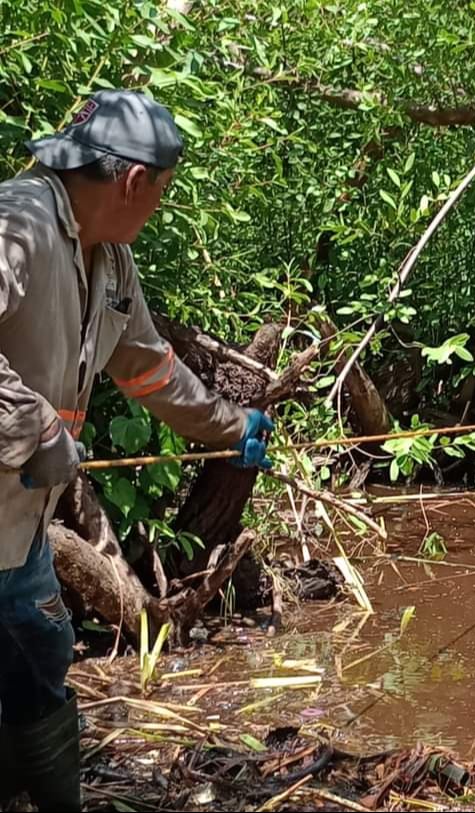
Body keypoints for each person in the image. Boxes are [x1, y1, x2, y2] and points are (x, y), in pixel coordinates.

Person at [0, 89, 274, 810]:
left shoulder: (111, 262)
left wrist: (231, 425)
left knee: (37, 655)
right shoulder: (16, 224)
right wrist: (35, 428)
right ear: (131, 181)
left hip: (17, 524)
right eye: (162, 191)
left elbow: (149, 368)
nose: (158, 207)